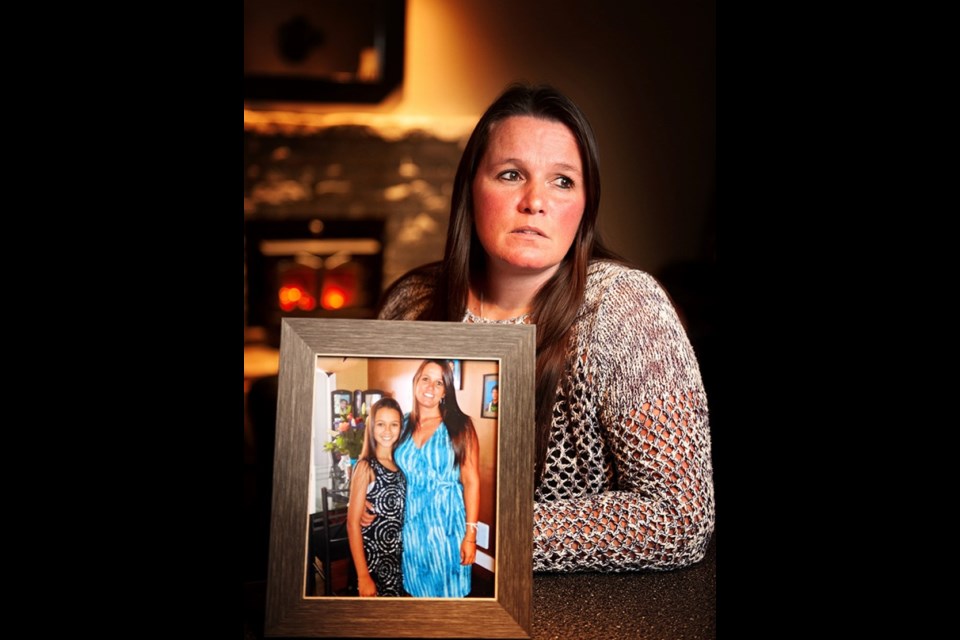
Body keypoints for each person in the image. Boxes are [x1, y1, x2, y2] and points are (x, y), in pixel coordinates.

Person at [377, 83, 715, 572]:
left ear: (586, 207)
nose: (535, 201)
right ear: (472, 188)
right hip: (419, 578)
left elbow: (680, 517)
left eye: (562, 182)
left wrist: (486, 535)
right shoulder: (410, 303)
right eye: (511, 174)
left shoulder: (624, 308)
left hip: (576, 614)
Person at [393, 359, 480, 597]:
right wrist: (367, 498)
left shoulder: (460, 425)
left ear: (445, 391)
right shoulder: (400, 425)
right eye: (425, 379)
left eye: (439, 382)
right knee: (416, 594)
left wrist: (471, 536)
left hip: (448, 525)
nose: (430, 386)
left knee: (450, 597)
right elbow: (382, 466)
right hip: (411, 527)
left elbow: (471, 481)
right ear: (415, 382)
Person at [346, 397, 406, 596]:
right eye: (381, 424)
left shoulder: (401, 465)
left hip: (396, 558)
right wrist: (363, 576)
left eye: (394, 424)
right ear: (371, 427)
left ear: (401, 428)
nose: (387, 431)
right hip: (372, 559)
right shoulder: (366, 467)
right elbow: (352, 524)